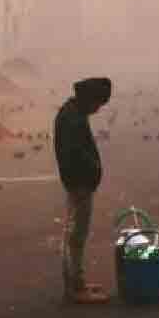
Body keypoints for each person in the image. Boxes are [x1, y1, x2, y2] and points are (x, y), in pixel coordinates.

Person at [54, 77, 112, 304]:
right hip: (79, 185)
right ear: (90, 100)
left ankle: (77, 283)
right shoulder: (73, 120)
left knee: (76, 235)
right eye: (98, 104)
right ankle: (74, 289)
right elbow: (72, 156)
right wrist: (90, 172)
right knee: (75, 236)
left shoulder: (73, 113)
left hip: (79, 183)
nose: (98, 110)